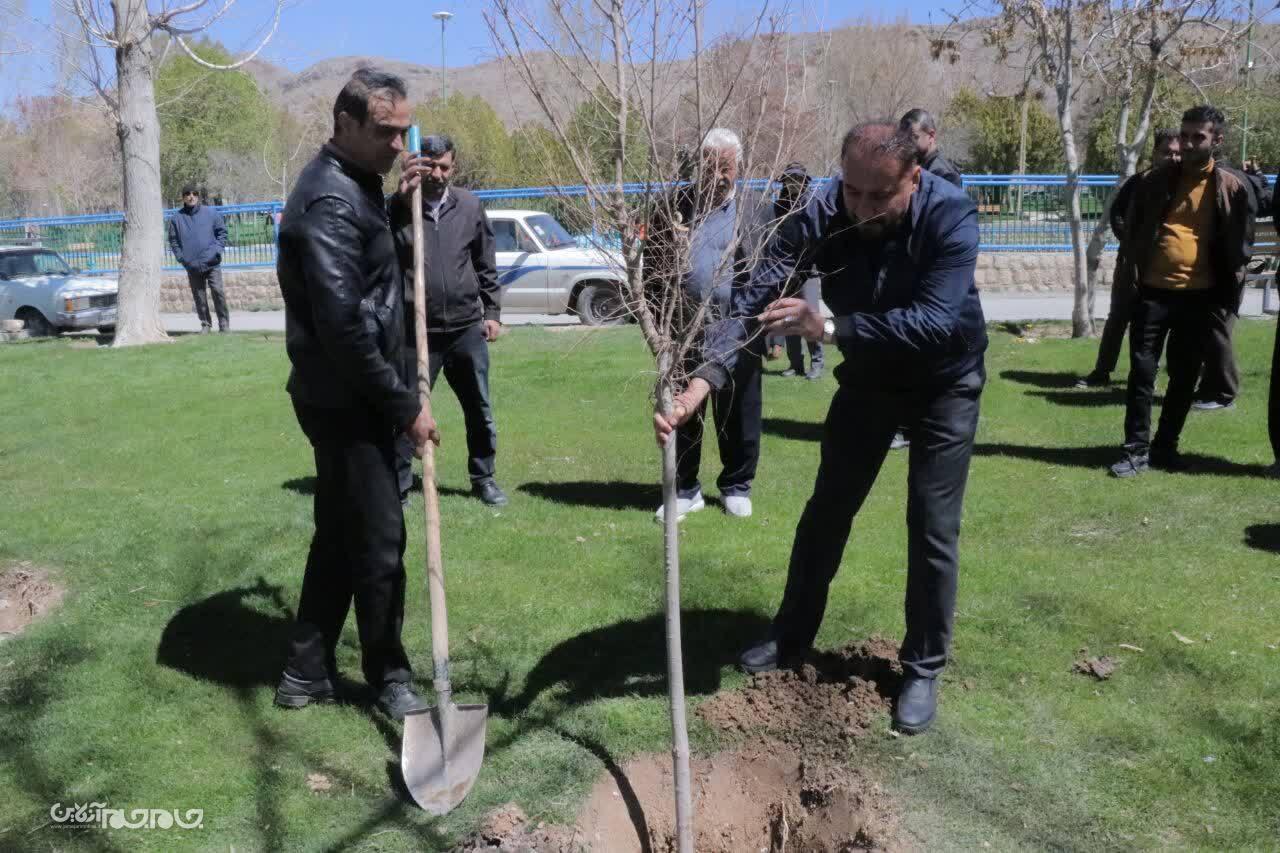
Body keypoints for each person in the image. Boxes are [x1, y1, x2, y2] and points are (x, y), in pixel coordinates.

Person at [656, 121, 987, 734]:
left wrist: (829, 328)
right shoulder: (822, 211)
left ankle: (922, 668)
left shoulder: (951, 215)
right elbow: (757, 296)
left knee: (932, 525)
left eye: (878, 196)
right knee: (827, 511)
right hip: (869, 382)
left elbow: (935, 321)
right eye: (851, 191)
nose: (860, 207)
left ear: (913, 179)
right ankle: (790, 636)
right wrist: (702, 382)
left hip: (944, 382)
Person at [273, 69, 439, 721]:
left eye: (404, 132)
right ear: (344, 124)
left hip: (346, 392)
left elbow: (370, 267)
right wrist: (405, 405)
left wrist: (397, 207)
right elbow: (342, 327)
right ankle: (389, 674)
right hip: (347, 400)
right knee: (378, 541)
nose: (399, 145)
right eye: (386, 132)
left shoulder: (359, 185)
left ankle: (305, 671)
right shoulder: (329, 201)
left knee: (341, 534)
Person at [1109, 105, 1257, 478]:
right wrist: (1134, 262)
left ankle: (1165, 447)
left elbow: (1241, 240)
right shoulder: (1154, 181)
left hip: (1200, 297)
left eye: (1198, 137)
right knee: (1142, 373)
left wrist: (1230, 283)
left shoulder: (1231, 186)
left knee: (1184, 376)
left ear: (1217, 140)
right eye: (1185, 135)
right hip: (1152, 294)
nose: (1188, 144)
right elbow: (1128, 221)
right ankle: (1135, 450)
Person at [647, 128, 769, 522]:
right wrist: (659, 326)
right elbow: (652, 269)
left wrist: (770, 331)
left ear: (739, 167)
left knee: (739, 411)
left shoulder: (756, 208)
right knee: (684, 409)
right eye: (709, 167)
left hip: (739, 328)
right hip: (685, 328)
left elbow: (771, 274)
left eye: (725, 168)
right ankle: (685, 489)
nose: (716, 176)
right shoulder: (673, 206)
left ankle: (737, 485)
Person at [389, 134, 507, 507]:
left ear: (453, 166)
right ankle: (399, 486)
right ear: (418, 165)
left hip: (465, 327)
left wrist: (492, 312)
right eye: (430, 166)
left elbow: (485, 262)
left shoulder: (469, 206)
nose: (438, 174)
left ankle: (484, 478)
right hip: (416, 329)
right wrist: (400, 198)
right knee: (407, 410)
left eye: (444, 167)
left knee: (479, 407)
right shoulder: (400, 208)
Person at [1076, 130, 1182, 388]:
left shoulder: (1185, 185)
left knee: (1162, 325)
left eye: (1178, 153)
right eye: (1167, 152)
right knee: (1118, 318)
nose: (1173, 158)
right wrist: (1132, 243)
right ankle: (1102, 371)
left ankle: (1153, 376)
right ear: (1155, 153)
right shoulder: (1137, 183)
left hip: (1168, 270)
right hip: (1132, 265)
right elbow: (1117, 215)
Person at [1191, 159, 1274, 410]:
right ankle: (1210, 388)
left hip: (1222, 265)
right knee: (1216, 327)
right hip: (1235, 264)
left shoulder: (1219, 181)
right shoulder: (1243, 179)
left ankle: (1222, 393)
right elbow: (1266, 203)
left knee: (1216, 328)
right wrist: (1258, 175)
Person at [774, 163, 824, 381]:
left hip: (808, 272)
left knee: (810, 317)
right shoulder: (778, 206)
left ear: (804, 182)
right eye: (790, 179)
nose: (794, 183)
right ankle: (795, 363)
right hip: (785, 272)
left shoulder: (813, 204)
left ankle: (817, 363)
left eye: (798, 179)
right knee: (789, 320)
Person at [168, 185, 229, 333]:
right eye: (188, 194)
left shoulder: (211, 213)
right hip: (192, 265)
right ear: (183, 197)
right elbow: (173, 241)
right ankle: (205, 324)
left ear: (198, 196)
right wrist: (183, 259)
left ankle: (224, 324)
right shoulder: (177, 219)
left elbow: (222, 233)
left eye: (194, 194)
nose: (191, 197)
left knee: (218, 292)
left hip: (212, 263)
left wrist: (216, 251)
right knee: (199, 297)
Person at [900, 108, 963, 189]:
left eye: (913, 137)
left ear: (931, 135)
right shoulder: (915, 166)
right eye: (903, 138)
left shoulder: (945, 175)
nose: (907, 143)